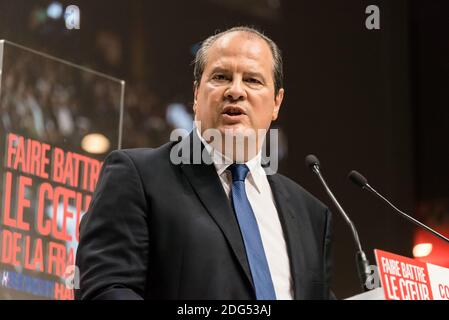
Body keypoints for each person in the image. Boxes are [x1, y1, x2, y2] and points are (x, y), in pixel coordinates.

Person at [75, 26, 333, 300]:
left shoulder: (312, 215)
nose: (236, 91)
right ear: (197, 95)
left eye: (253, 80)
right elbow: (105, 290)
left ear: (276, 103)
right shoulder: (138, 176)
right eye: (221, 77)